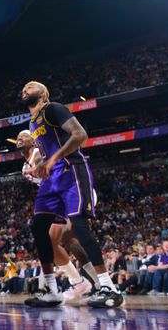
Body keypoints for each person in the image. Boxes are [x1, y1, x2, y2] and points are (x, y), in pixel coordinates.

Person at [21, 81, 123, 309]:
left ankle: (109, 287)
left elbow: (80, 134)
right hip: (51, 179)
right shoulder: (32, 121)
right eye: (23, 89)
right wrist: (40, 165)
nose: (25, 90)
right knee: (38, 226)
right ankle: (51, 290)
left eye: (30, 87)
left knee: (78, 227)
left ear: (43, 92)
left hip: (71, 170)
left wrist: (54, 158)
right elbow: (46, 152)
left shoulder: (53, 109)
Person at [16, 129, 97, 302]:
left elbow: (41, 162)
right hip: (59, 199)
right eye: (18, 137)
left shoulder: (38, 153)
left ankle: (99, 283)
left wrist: (37, 168)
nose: (20, 138)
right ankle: (78, 282)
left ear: (33, 141)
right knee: (50, 246)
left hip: (73, 191)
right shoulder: (25, 164)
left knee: (70, 237)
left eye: (24, 136)